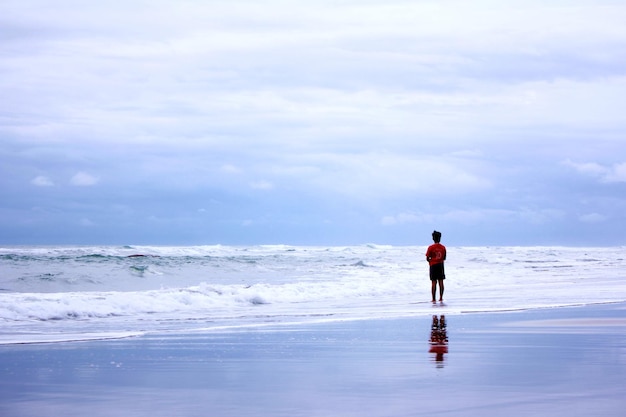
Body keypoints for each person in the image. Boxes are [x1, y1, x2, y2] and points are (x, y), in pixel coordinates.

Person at [425, 230, 446, 302]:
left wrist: (431, 260)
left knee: (433, 282)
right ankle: (441, 297)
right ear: (440, 238)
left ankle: (433, 299)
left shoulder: (430, 247)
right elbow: (444, 258)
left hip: (433, 265)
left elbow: (427, 258)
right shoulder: (443, 247)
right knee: (441, 282)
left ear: (433, 238)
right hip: (440, 265)